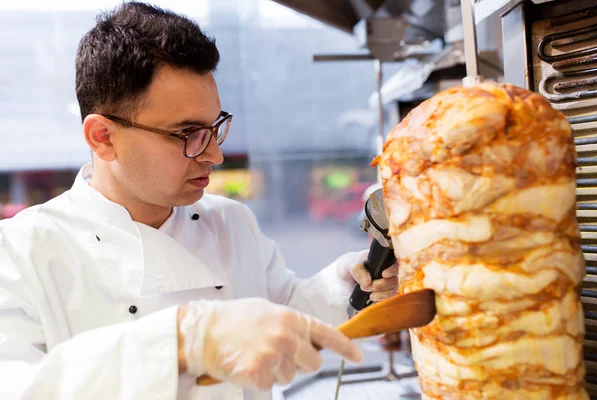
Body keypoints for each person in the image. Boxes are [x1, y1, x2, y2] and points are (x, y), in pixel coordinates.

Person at [0, 3, 399, 399]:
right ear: (103, 137)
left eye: (214, 128)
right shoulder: (20, 252)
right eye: (187, 133)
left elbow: (283, 313)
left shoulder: (231, 221)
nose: (215, 155)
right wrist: (184, 340)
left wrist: (341, 286)